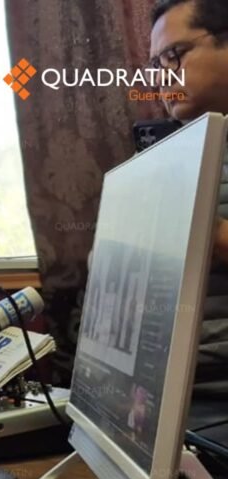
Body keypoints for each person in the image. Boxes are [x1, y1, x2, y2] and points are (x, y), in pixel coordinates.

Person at [150, 0, 228, 397]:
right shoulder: (166, 153)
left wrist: (211, 235)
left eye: (174, 55)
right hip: (163, 387)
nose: (161, 77)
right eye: (156, 65)